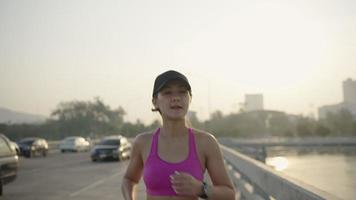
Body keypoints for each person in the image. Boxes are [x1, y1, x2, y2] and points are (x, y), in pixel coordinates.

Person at [121, 70, 235, 200]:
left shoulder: (206, 142)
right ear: (155, 102)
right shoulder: (143, 142)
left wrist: (201, 188)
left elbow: (229, 194)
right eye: (167, 92)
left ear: (189, 98)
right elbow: (129, 179)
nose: (176, 98)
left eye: (182, 92)